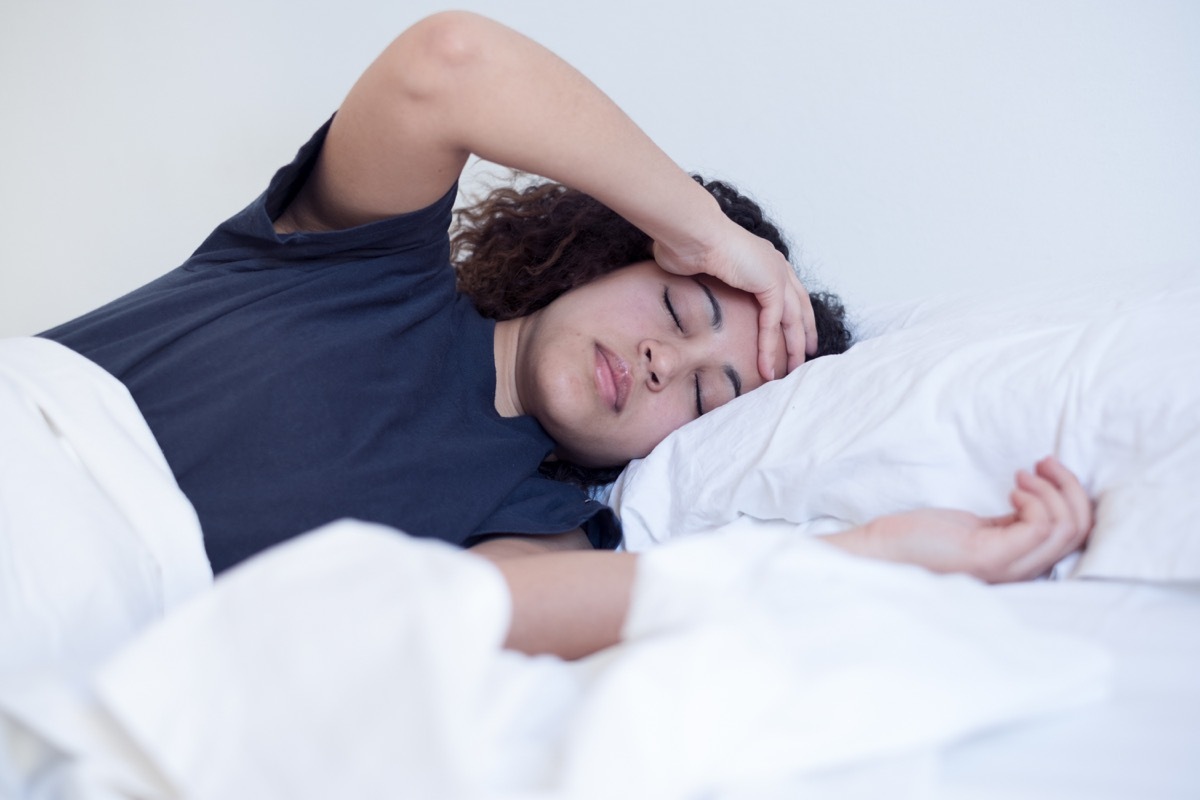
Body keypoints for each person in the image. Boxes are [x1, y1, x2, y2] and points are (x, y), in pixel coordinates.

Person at [39, 12, 1092, 659]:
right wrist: (711, 232)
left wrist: (878, 553)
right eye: (680, 309)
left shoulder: (534, 517)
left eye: (705, 395)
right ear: (619, 251)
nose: (660, 361)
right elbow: (447, 60)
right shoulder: (360, 257)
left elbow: (500, 611)